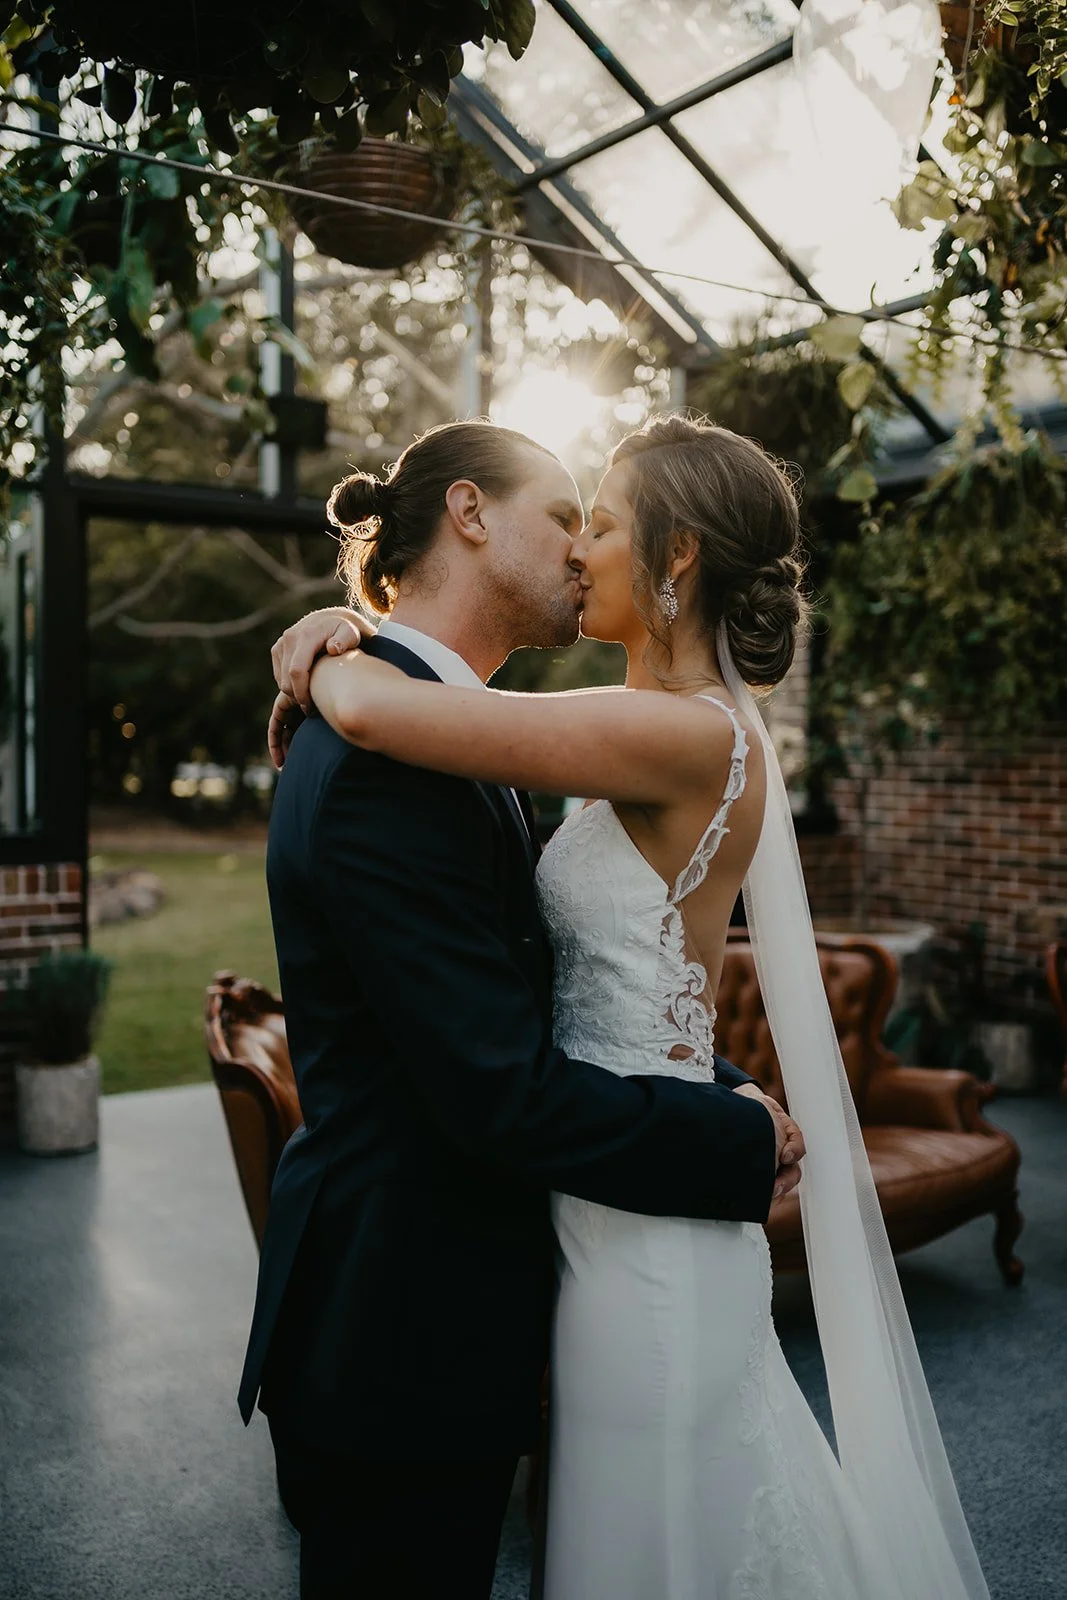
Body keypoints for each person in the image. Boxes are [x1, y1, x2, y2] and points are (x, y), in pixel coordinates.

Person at [272, 413, 991, 1600]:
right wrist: (719, 1101)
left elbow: (377, 714)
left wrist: (326, 645)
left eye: (596, 523)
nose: (576, 549)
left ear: (675, 557)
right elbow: (592, 985)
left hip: (636, 1232)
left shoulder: (676, 733)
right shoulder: (622, 733)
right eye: (570, 516)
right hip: (555, 1232)